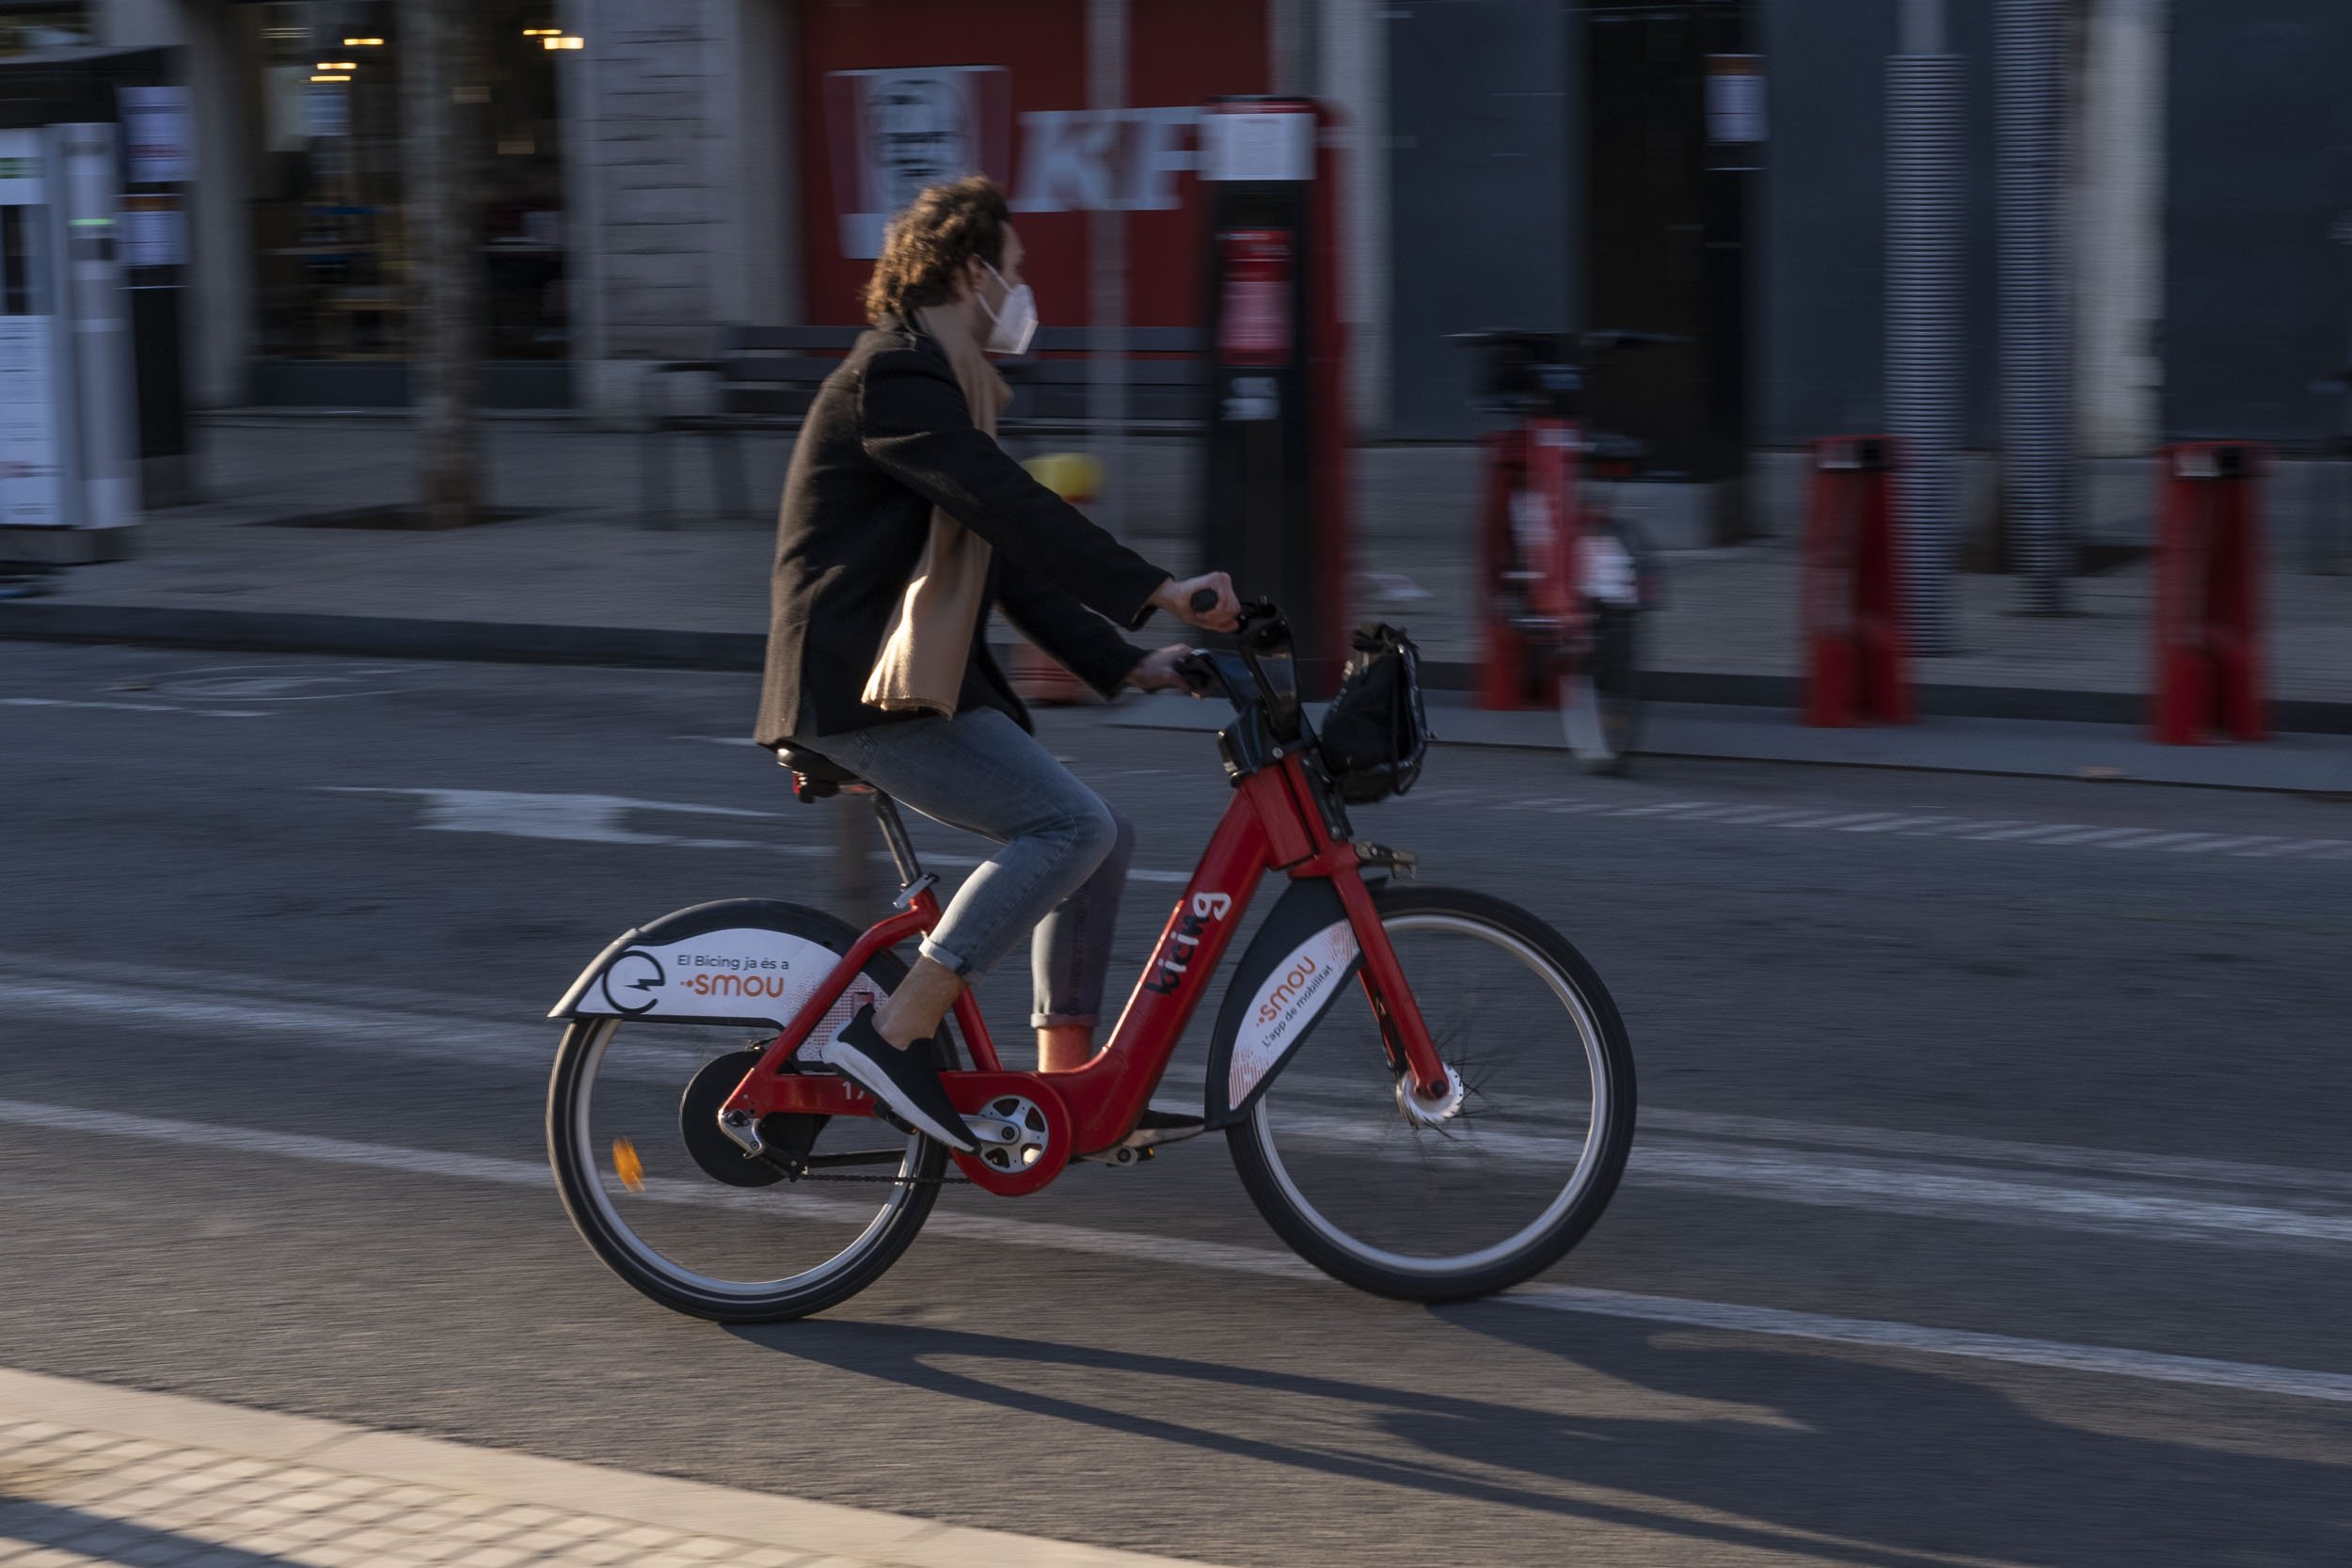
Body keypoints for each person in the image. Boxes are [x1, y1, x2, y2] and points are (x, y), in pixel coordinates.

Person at [754, 175, 1239, 1153]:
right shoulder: (894, 375)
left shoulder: (939, 380)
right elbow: (1010, 506)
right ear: (972, 272)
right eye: (1013, 272)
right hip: (853, 688)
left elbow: (1002, 557)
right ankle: (894, 1033)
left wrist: (1128, 661)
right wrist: (1155, 584)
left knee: (1100, 837)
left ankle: (1069, 1096)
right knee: (1067, 825)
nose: (1021, 293)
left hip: (897, 683)